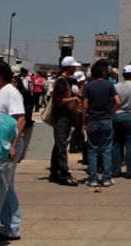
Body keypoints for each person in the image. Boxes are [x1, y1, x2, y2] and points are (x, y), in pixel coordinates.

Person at [0, 60, 26, 244]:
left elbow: (20, 119)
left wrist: (12, 145)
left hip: (7, 147)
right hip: (2, 146)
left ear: (0, 76)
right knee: (6, 189)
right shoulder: (0, 93)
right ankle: (11, 227)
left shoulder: (11, 93)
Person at [82, 59, 120, 187]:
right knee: (106, 149)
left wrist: (83, 121)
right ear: (103, 72)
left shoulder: (88, 86)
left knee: (92, 150)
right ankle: (107, 178)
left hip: (92, 119)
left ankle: (92, 179)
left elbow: (85, 105)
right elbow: (118, 102)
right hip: (106, 119)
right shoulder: (109, 85)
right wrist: (111, 113)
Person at [49, 56, 83, 186]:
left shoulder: (67, 80)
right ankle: (64, 174)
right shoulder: (61, 81)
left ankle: (54, 172)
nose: (75, 68)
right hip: (61, 117)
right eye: (74, 66)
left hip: (65, 117)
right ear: (69, 67)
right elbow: (58, 101)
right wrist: (73, 100)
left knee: (59, 144)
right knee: (62, 145)